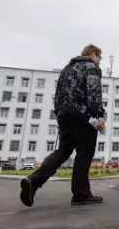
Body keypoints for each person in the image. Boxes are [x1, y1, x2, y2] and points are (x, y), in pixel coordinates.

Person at [20, 44, 106, 207]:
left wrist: (62, 112)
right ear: (93, 54)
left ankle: (33, 182)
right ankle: (81, 194)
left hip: (62, 113)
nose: (99, 61)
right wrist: (99, 114)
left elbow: (60, 94)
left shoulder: (67, 69)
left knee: (64, 150)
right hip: (82, 115)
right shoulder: (91, 67)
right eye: (99, 58)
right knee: (85, 151)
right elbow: (93, 92)